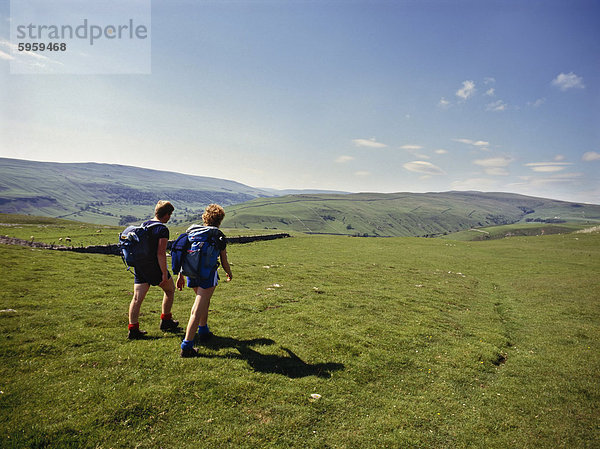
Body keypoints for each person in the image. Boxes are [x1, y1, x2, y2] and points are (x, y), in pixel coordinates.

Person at [177, 204, 233, 358]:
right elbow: (224, 260)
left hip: (191, 272)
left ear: (205, 217)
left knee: (203, 302)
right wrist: (229, 273)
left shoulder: (192, 231)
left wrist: (180, 275)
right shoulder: (217, 235)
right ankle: (187, 345)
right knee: (197, 308)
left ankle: (203, 330)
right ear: (220, 219)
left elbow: (183, 254)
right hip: (207, 274)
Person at [128, 200, 180, 339]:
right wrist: (164, 273)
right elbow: (160, 253)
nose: (170, 217)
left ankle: (133, 329)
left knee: (137, 298)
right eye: (170, 214)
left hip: (140, 266)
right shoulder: (162, 229)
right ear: (167, 214)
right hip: (154, 267)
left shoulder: (144, 225)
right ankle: (166, 321)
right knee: (169, 290)